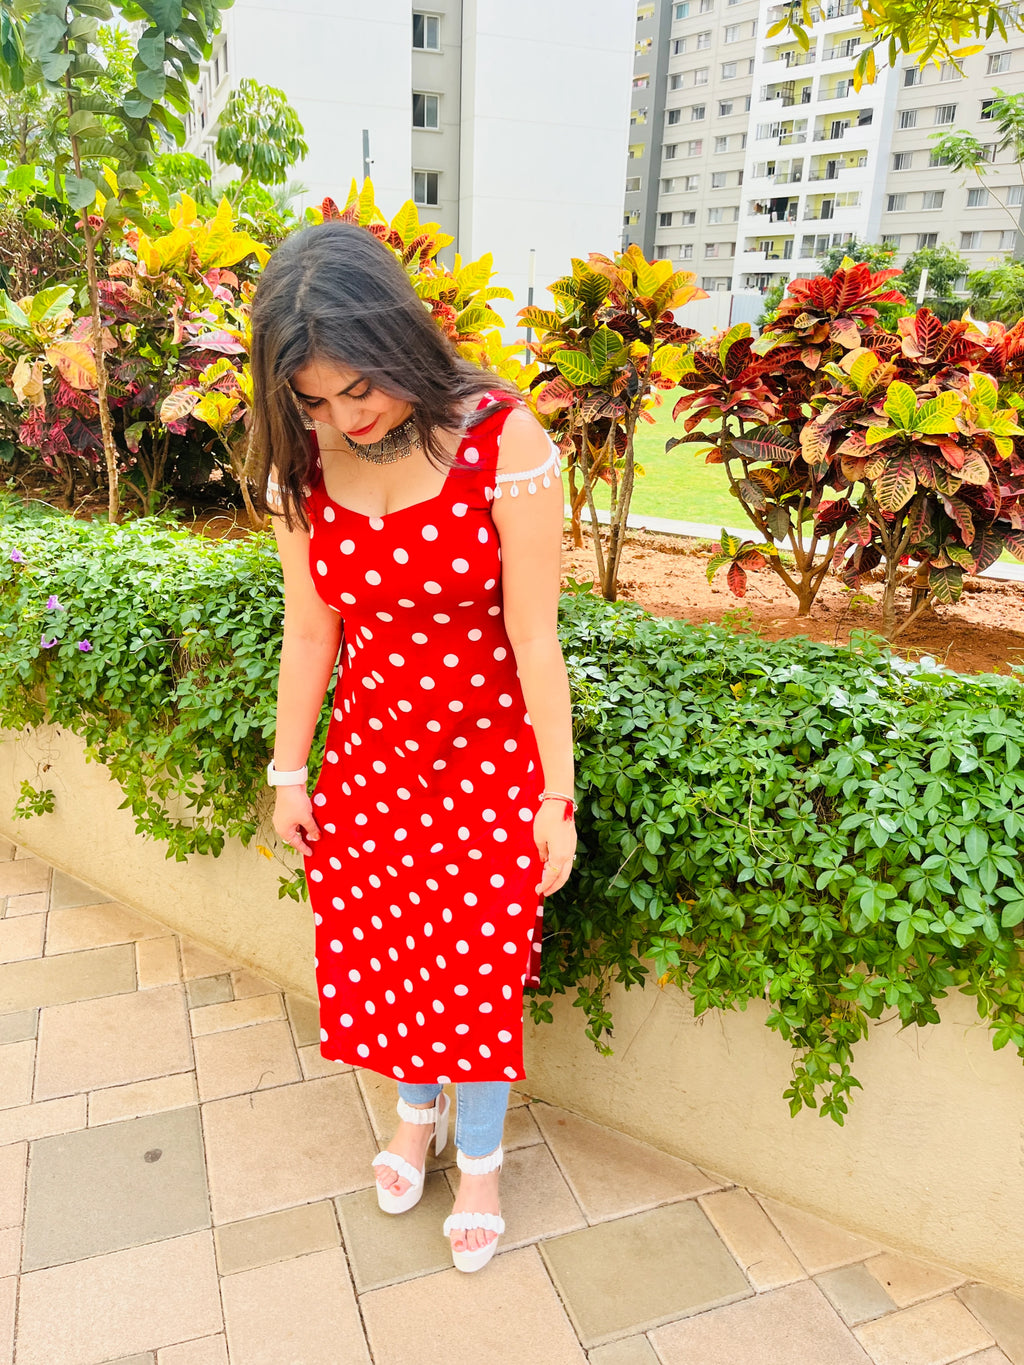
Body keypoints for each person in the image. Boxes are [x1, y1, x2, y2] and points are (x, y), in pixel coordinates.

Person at [249, 220, 577, 1274]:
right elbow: (313, 630)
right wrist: (287, 771)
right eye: (314, 400)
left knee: (474, 972)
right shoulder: (304, 469)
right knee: (387, 956)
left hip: (486, 766)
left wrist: (555, 799)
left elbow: (535, 635)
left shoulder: (503, 442)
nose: (345, 416)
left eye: (360, 389)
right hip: (370, 766)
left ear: (396, 344)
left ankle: (477, 1158)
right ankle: (411, 1114)